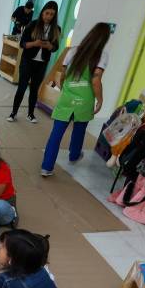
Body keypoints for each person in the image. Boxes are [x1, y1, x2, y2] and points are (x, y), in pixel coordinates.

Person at [41, 22, 111, 177]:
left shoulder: (73, 51)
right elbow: (95, 80)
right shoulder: (102, 55)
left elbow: (63, 74)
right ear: (104, 39)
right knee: (79, 131)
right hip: (84, 100)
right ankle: (74, 156)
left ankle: (46, 167)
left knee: (56, 133)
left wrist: (64, 88)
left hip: (67, 97)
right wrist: (100, 99)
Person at [8, 1, 61, 124]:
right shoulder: (32, 25)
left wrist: (49, 46)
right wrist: (35, 44)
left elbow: (55, 47)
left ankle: (30, 114)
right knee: (21, 87)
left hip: (42, 63)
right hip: (28, 60)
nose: (48, 16)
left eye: (52, 14)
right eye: (46, 13)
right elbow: (22, 44)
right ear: (42, 12)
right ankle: (13, 113)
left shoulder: (56, 29)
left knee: (34, 89)